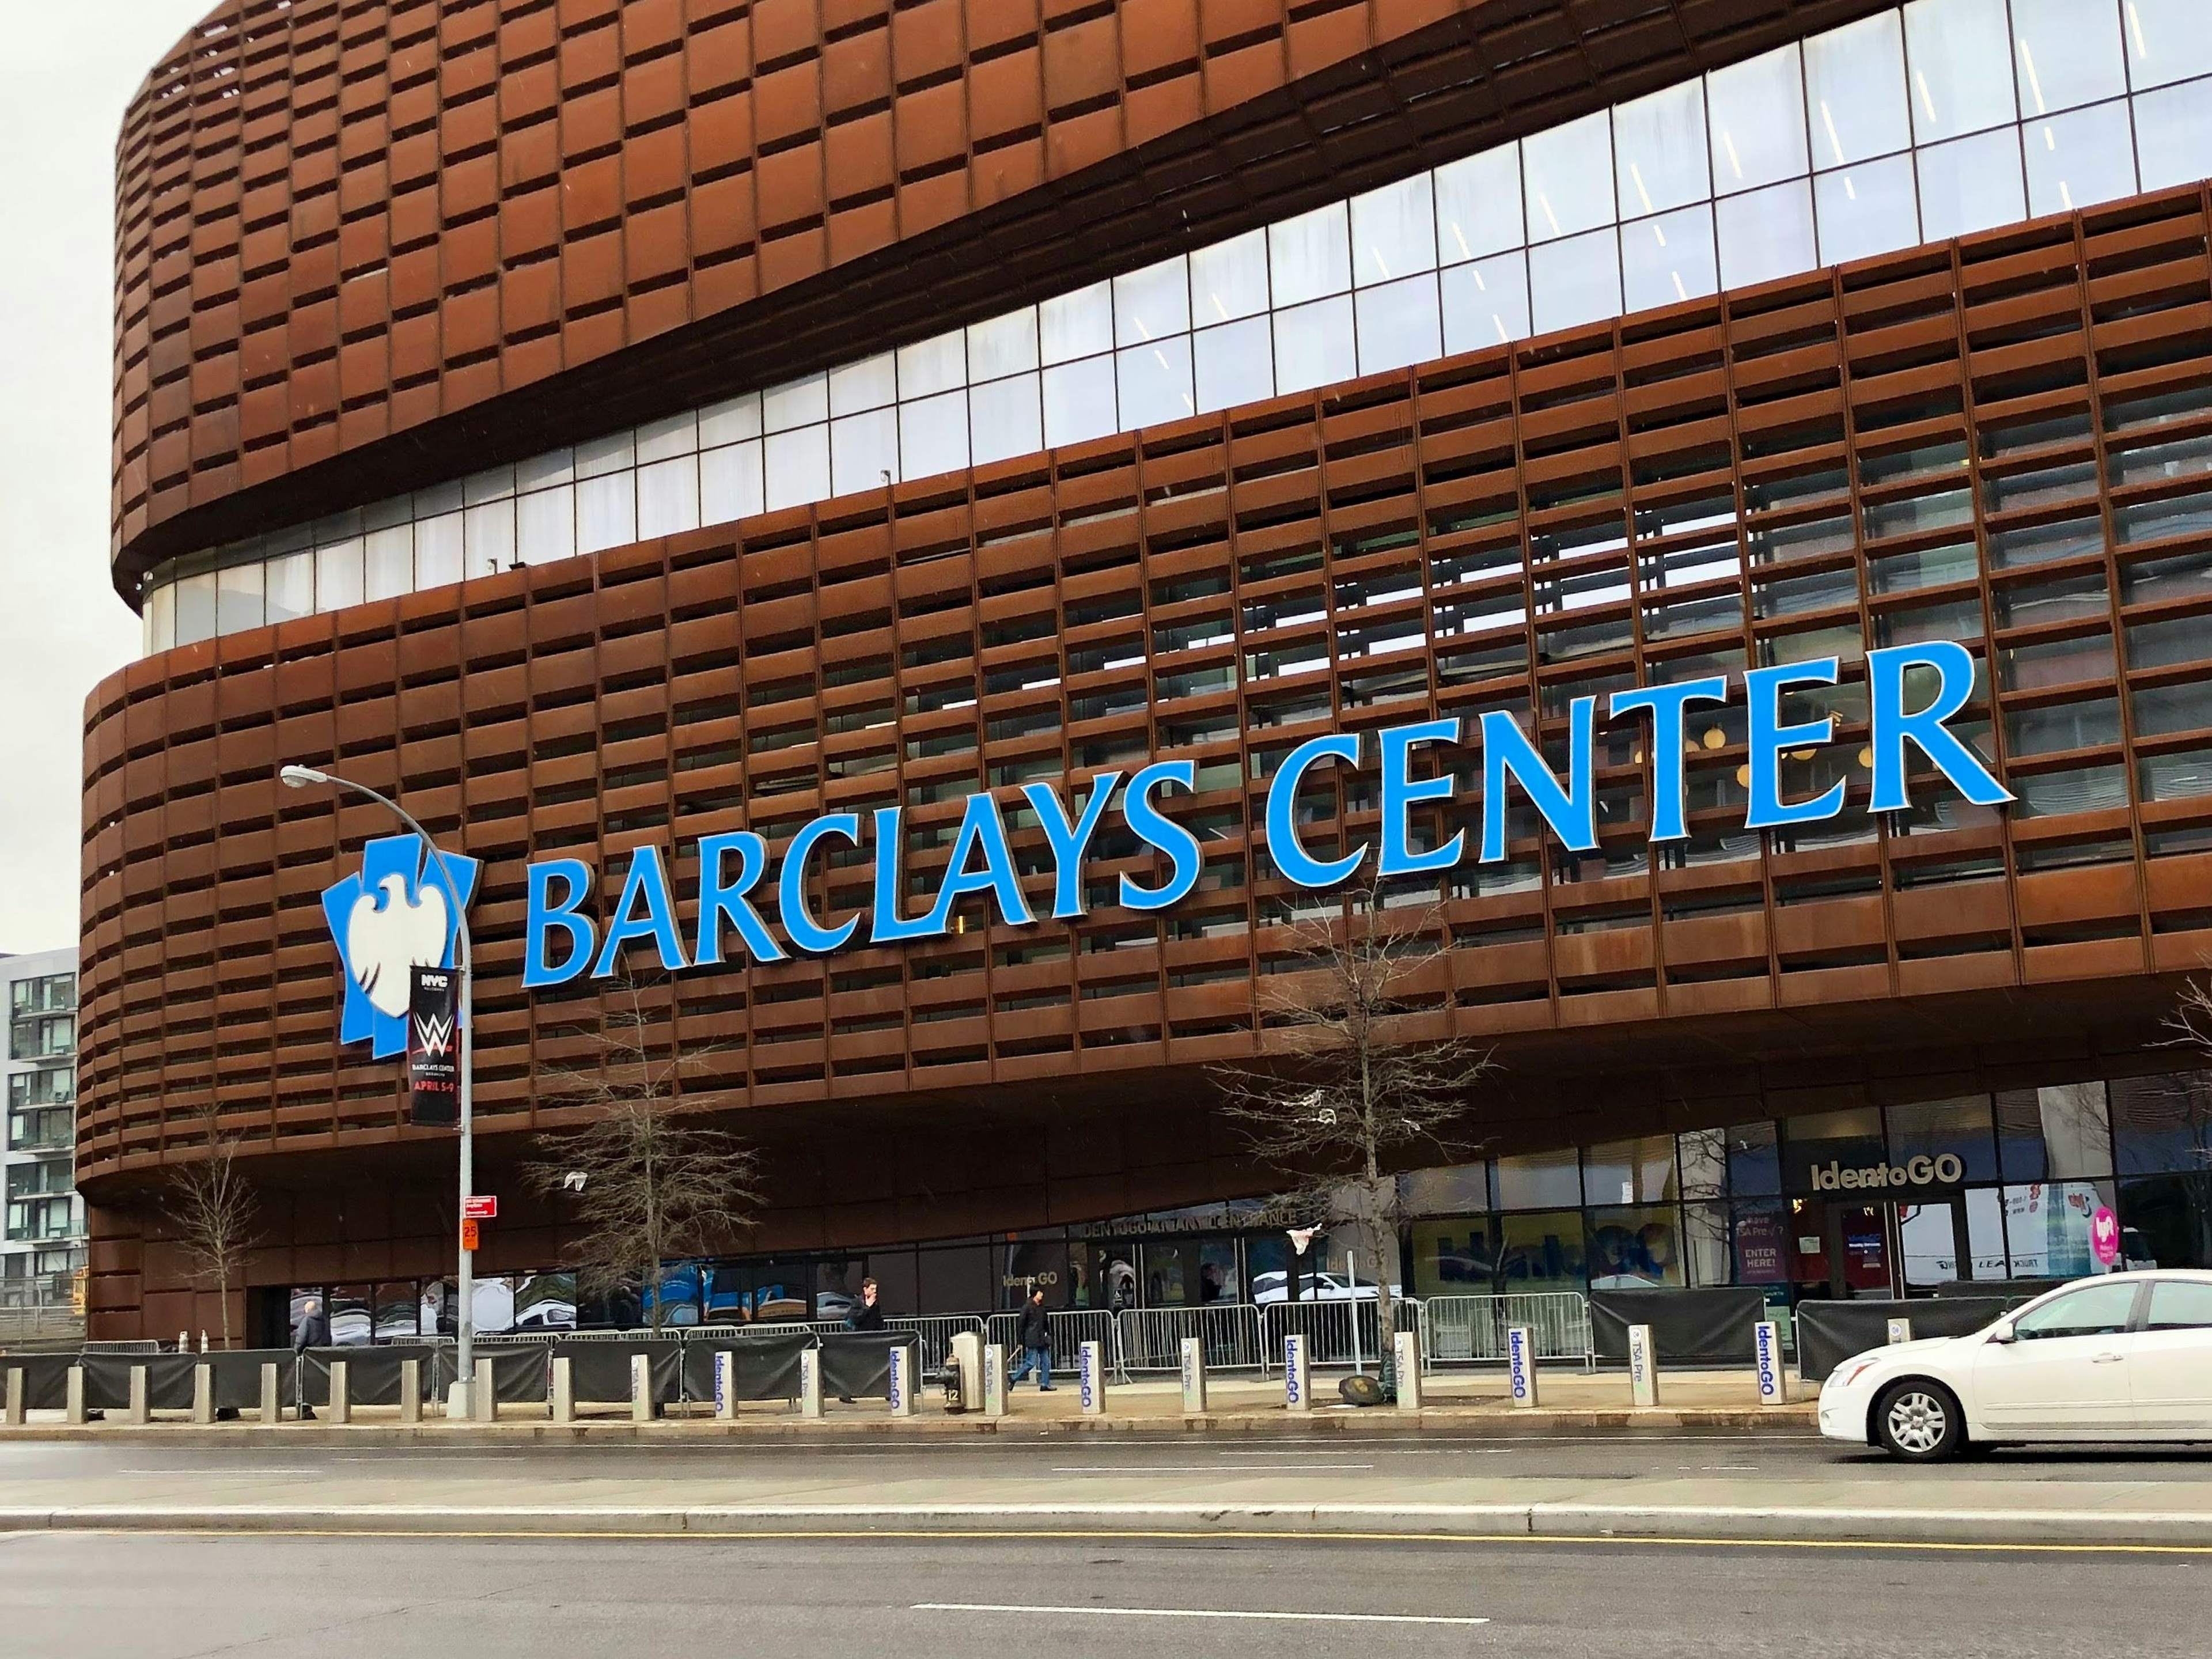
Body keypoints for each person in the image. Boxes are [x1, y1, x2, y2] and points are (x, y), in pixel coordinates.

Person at [838, 1278, 885, 1403]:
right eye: (872, 1289)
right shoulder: (857, 1302)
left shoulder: (876, 1303)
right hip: (858, 1339)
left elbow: (878, 1319)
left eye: (876, 1289)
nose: (875, 1292)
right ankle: (845, 1393)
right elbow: (855, 1319)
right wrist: (867, 1307)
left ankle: (888, 1391)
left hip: (872, 1338)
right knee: (854, 1367)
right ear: (865, 1290)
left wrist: (882, 1332)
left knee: (880, 1364)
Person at [1005, 1287, 1054, 1391]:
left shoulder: (1041, 1307)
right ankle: (1014, 1378)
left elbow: (1046, 1323)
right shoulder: (1027, 1307)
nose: (1042, 1294)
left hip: (1042, 1338)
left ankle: (1045, 1384)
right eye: (1040, 1292)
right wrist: (1020, 1340)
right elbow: (1021, 1324)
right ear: (1035, 1294)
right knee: (1031, 1362)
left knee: (1046, 1361)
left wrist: (1048, 1334)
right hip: (1032, 1338)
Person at [291, 1294, 329, 1420]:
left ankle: (304, 1409)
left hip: (306, 1357)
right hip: (319, 1357)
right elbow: (329, 1338)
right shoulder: (325, 1321)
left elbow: (301, 1339)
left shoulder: (307, 1320)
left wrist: (295, 1352)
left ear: (307, 1310)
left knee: (302, 1383)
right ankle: (309, 1407)